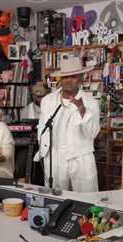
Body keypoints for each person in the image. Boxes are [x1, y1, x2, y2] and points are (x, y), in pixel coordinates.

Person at [35, 56, 100, 192]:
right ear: (61, 79)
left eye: (73, 76)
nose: (68, 80)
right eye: (65, 77)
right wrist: (44, 150)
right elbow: (42, 128)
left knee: (85, 201)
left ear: (81, 78)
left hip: (80, 157)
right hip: (55, 157)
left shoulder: (90, 102)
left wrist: (82, 111)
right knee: (55, 199)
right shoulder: (48, 101)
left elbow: (92, 133)